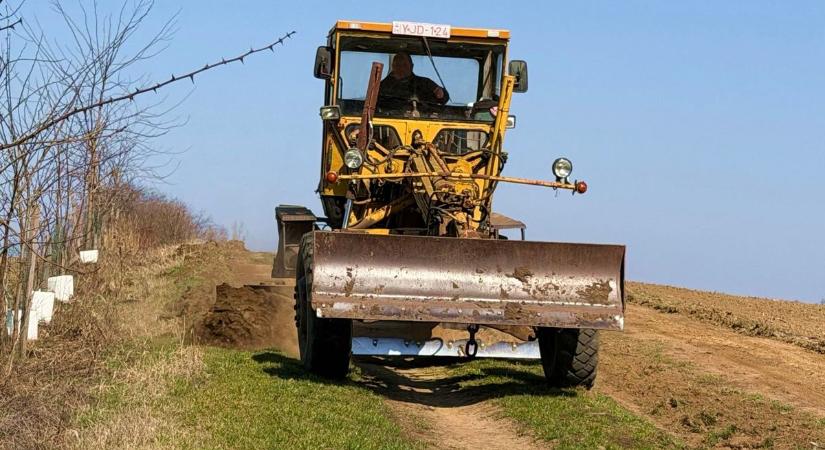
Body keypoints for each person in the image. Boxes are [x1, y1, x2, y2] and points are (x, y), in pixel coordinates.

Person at [378, 52, 449, 111]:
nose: (401, 68)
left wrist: (441, 93)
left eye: (405, 65)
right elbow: (372, 106)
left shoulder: (424, 83)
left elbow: (443, 99)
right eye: (398, 65)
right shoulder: (382, 86)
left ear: (412, 66)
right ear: (393, 66)